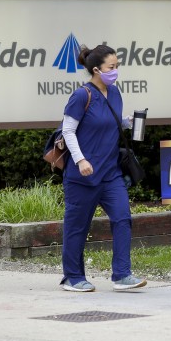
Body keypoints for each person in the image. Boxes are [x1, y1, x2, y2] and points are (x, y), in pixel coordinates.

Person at [58, 44, 146, 292]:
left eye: (117, 66)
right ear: (96, 69)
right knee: (77, 227)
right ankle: (73, 277)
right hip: (82, 176)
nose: (116, 70)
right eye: (112, 67)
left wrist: (129, 122)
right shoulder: (81, 96)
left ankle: (121, 274)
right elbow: (68, 131)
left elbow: (109, 123)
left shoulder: (115, 93)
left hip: (110, 173)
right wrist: (80, 160)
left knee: (122, 218)